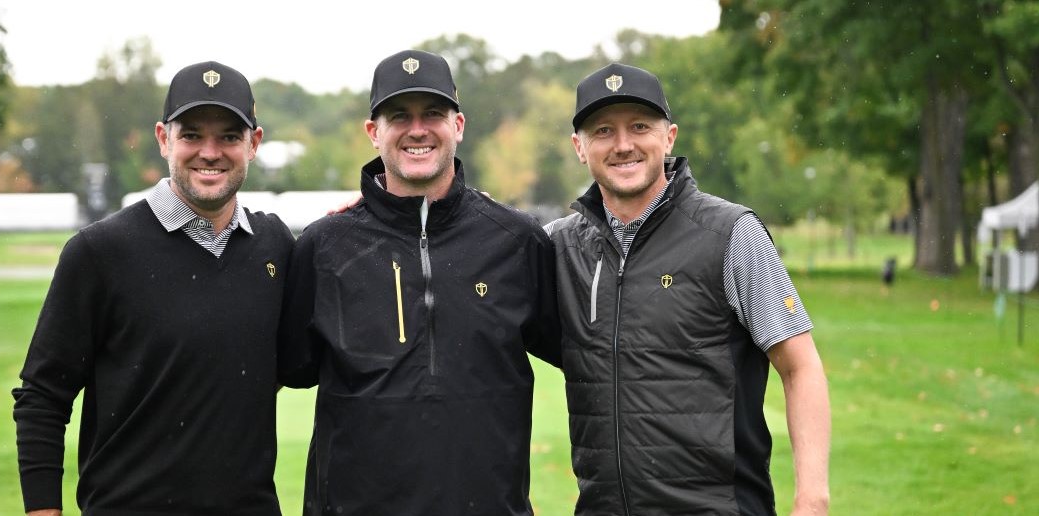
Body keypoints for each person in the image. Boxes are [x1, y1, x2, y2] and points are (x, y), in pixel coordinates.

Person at [277, 49, 561, 516]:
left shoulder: (518, 241)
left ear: (459, 125)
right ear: (374, 132)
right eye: (398, 116)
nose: (417, 129)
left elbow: (582, 357)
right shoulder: (324, 247)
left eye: (433, 113)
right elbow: (290, 370)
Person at [544, 63, 831, 515]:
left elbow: (800, 367)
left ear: (669, 136)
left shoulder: (730, 233)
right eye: (603, 130)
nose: (623, 145)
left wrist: (812, 500)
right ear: (579, 147)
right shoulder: (559, 247)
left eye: (639, 126)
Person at [11, 61, 292, 515]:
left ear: (254, 144)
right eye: (192, 135)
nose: (210, 151)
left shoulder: (275, 246)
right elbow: (44, 395)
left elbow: (296, 365)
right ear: (164, 139)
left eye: (228, 136)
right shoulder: (99, 252)